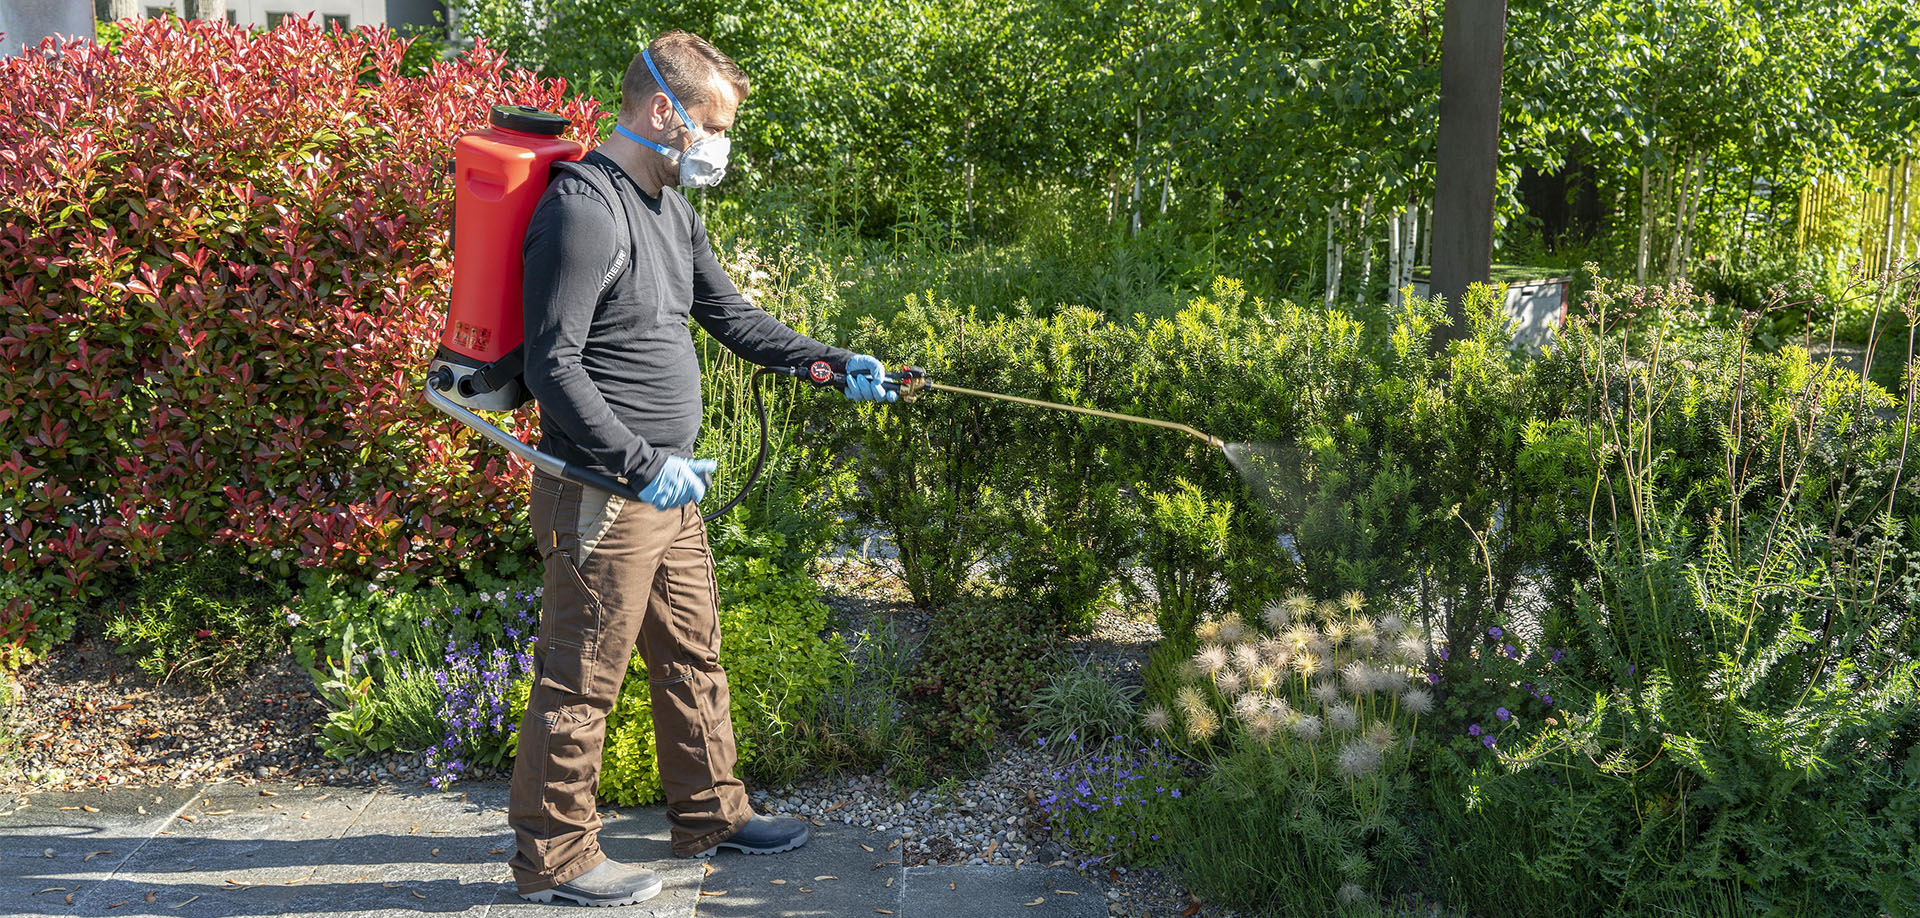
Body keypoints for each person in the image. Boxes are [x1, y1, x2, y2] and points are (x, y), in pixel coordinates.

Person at [507, 29, 896, 907]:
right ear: (661, 112)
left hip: (666, 489)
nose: (720, 145)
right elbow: (552, 367)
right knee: (580, 679)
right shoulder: (583, 210)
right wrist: (641, 465)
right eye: (713, 125)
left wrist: (832, 363)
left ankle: (710, 814)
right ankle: (555, 859)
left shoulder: (672, 211)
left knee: (691, 656)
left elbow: (734, 318)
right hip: (604, 494)